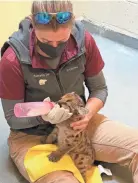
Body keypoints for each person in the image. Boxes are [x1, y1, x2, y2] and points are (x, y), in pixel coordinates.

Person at [0, 1, 138, 183]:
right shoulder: (12, 60)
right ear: (32, 24)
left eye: (62, 41)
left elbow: (99, 89)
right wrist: (46, 115)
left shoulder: (84, 42)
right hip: (31, 135)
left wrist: (87, 115)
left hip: (78, 125)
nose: (54, 46)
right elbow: (13, 117)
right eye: (46, 41)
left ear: (72, 25)